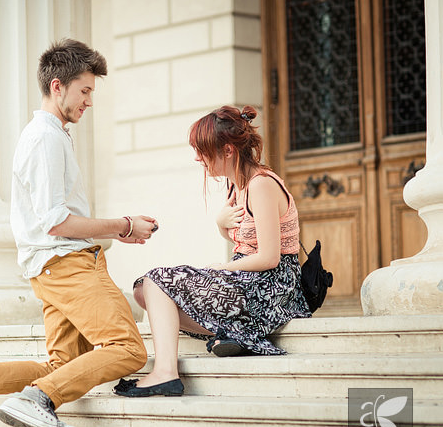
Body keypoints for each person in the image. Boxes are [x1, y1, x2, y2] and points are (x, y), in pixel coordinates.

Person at [0, 38, 158, 427]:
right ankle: (37, 399)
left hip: (50, 267)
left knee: (60, 366)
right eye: (84, 91)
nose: (89, 101)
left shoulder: (50, 134)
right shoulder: (46, 137)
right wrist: (123, 225)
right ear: (57, 87)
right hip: (67, 263)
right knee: (128, 348)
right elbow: (56, 221)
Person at [114, 105, 311, 398]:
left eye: (202, 150)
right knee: (144, 290)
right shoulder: (237, 187)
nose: (197, 158)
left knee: (156, 282)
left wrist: (223, 268)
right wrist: (221, 226)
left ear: (228, 150)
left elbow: (270, 257)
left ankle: (165, 373)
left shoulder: (262, 185)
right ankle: (237, 333)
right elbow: (246, 242)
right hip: (249, 281)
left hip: (271, 287)